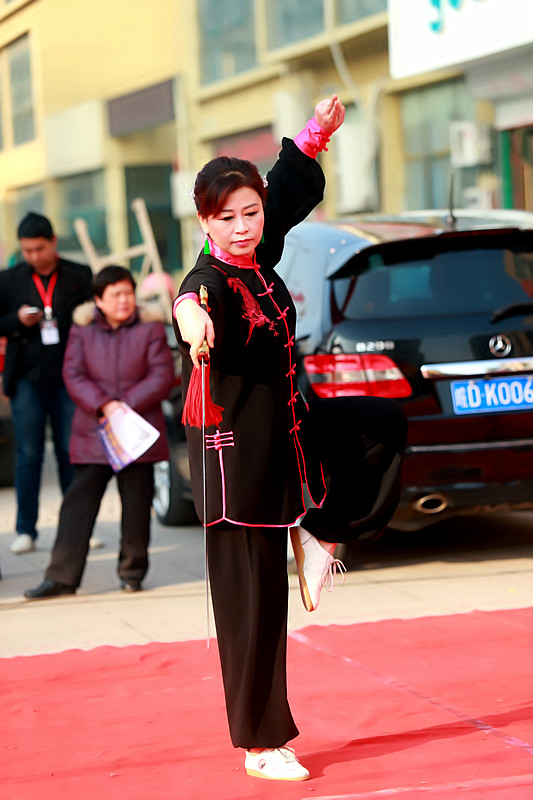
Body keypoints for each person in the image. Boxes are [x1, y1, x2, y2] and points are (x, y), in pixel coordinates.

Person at [173, 94, 407, 782]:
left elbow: (283, 187)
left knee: (379, 423)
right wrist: (191, 322)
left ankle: (320, 534)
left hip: (285, 434)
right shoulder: (210, 279)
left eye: (250, 213)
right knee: (254, 608)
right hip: (235, 460)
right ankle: (260, 743)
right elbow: (191, 303)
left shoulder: (256, 247)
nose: (243, 226)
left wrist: (314, 133)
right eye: (227, 218)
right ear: (204, 221)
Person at [24, 266, 174, 598]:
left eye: (128, 293)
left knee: (137, 505)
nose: (124, 300)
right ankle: (61, 577)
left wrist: (124, 405)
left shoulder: (150, 327)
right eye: (115, 295)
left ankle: (132, 572)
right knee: (77, 503)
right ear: (98, 300)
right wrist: (105, 405)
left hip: (136, 432)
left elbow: (162, 374)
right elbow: (73, 373)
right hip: (95, 430)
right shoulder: (83, 329)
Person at [0, 213, 93, 554]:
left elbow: (93, 323)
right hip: (27, 378)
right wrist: (16, 320)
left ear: (53, 241)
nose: (34, 256)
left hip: (71, 378)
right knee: (28, 454)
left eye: (39, 248)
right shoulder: (9, 279)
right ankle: (26, 528)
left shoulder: (79, 275)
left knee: (71, 452)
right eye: (27, 250)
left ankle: (76, 528)